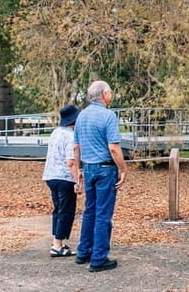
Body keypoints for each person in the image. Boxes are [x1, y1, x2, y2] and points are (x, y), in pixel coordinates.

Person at [74, 80, 128, 272]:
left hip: (88, 167)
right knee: (103, 213)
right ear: (104, 94)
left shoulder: (81, 116)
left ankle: (83, 251)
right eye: (110, 92)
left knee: (90, 211)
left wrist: (78, 169)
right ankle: (98, 258)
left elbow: (76, 146)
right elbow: (113, 147)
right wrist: (123, 169)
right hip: (105, 169)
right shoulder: (108, 116)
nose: (111, 96)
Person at [42, 104, 80, 257]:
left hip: (51, 175)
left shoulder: (55, 132)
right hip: (64, 177)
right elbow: (70, 162)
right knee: (66, 210)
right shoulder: (70, 136)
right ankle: (57, 244)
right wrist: (78, 180)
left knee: (58, 209)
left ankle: (58, 241)